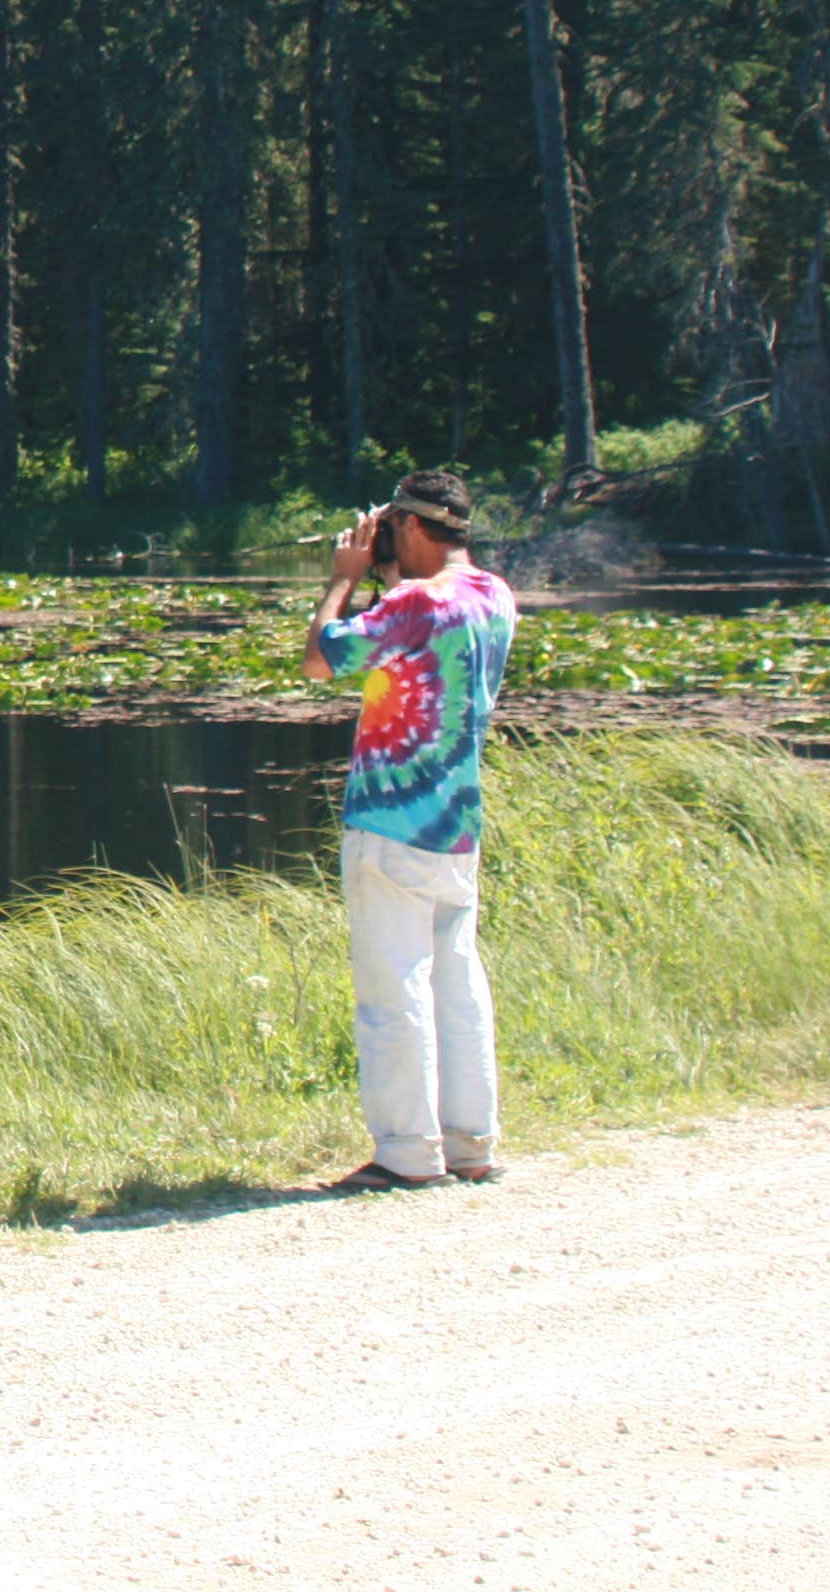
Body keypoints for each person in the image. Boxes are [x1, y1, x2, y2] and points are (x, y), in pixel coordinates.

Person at [301, 467, 517, 1192]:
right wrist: (388, 577)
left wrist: (342, 578)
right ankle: (470, 1142)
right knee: (457, 986)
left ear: (415, 526)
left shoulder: (416, 604)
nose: (383, 536)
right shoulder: (493, 595)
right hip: (456, 821)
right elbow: (411, 643)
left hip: (391, 820)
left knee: (392, 989)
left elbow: (320, 659)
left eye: (392, 525)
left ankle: (406, 1152)